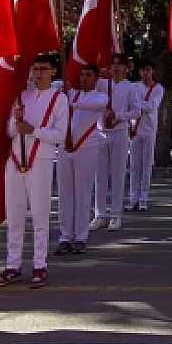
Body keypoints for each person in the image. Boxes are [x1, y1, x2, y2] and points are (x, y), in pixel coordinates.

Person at [0, 52, 67, 289]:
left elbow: (59, 136)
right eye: (35, 69)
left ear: (53, 71)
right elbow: (10, 132)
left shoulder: (59, 99)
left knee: (40, 214)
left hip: (41, 160)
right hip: (15, 159)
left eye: (43, 69)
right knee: (14, 216)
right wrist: (16, 121)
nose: (38, 74)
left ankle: (39, 265)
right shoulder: (22, 96)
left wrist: (32, 129)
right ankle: (12, 265)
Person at [55, 64, 106, 255]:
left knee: (82, 194)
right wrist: (63, 88)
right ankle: (65, 236)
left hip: (86, 148)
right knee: (65, 194)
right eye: (82, 75)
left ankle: (81, 237)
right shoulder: (69, 93)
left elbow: (98, 105)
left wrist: (71, 102)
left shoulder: (99, 96)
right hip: (65, 148)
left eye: (89, 75)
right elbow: (53, 85)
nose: (85, 78)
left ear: (95, 78)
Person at [93, 53, 142, 233]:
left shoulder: (130, 87)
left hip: (119, 132)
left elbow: (137, 111)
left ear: (125, 68)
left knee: (118, 173)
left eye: (119, 65)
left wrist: (119, 116)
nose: (115, 68)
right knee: (100, 175)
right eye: (112, 64)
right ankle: (100, 213)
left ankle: (115, 214)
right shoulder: (102, 84)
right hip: (101, 132)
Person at [127, 60, 163, 211]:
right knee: (135, 166)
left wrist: (138, 103)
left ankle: (143, 197)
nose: (145, 73)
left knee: (146, 165)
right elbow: (131, 104)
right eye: (142, 70)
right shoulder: (134, 86)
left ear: (152, 71)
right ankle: (133, 197)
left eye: (147, 70)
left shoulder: (158, 88)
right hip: (135, 130)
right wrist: (140, 104)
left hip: (149, 130)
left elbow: (151, 107)